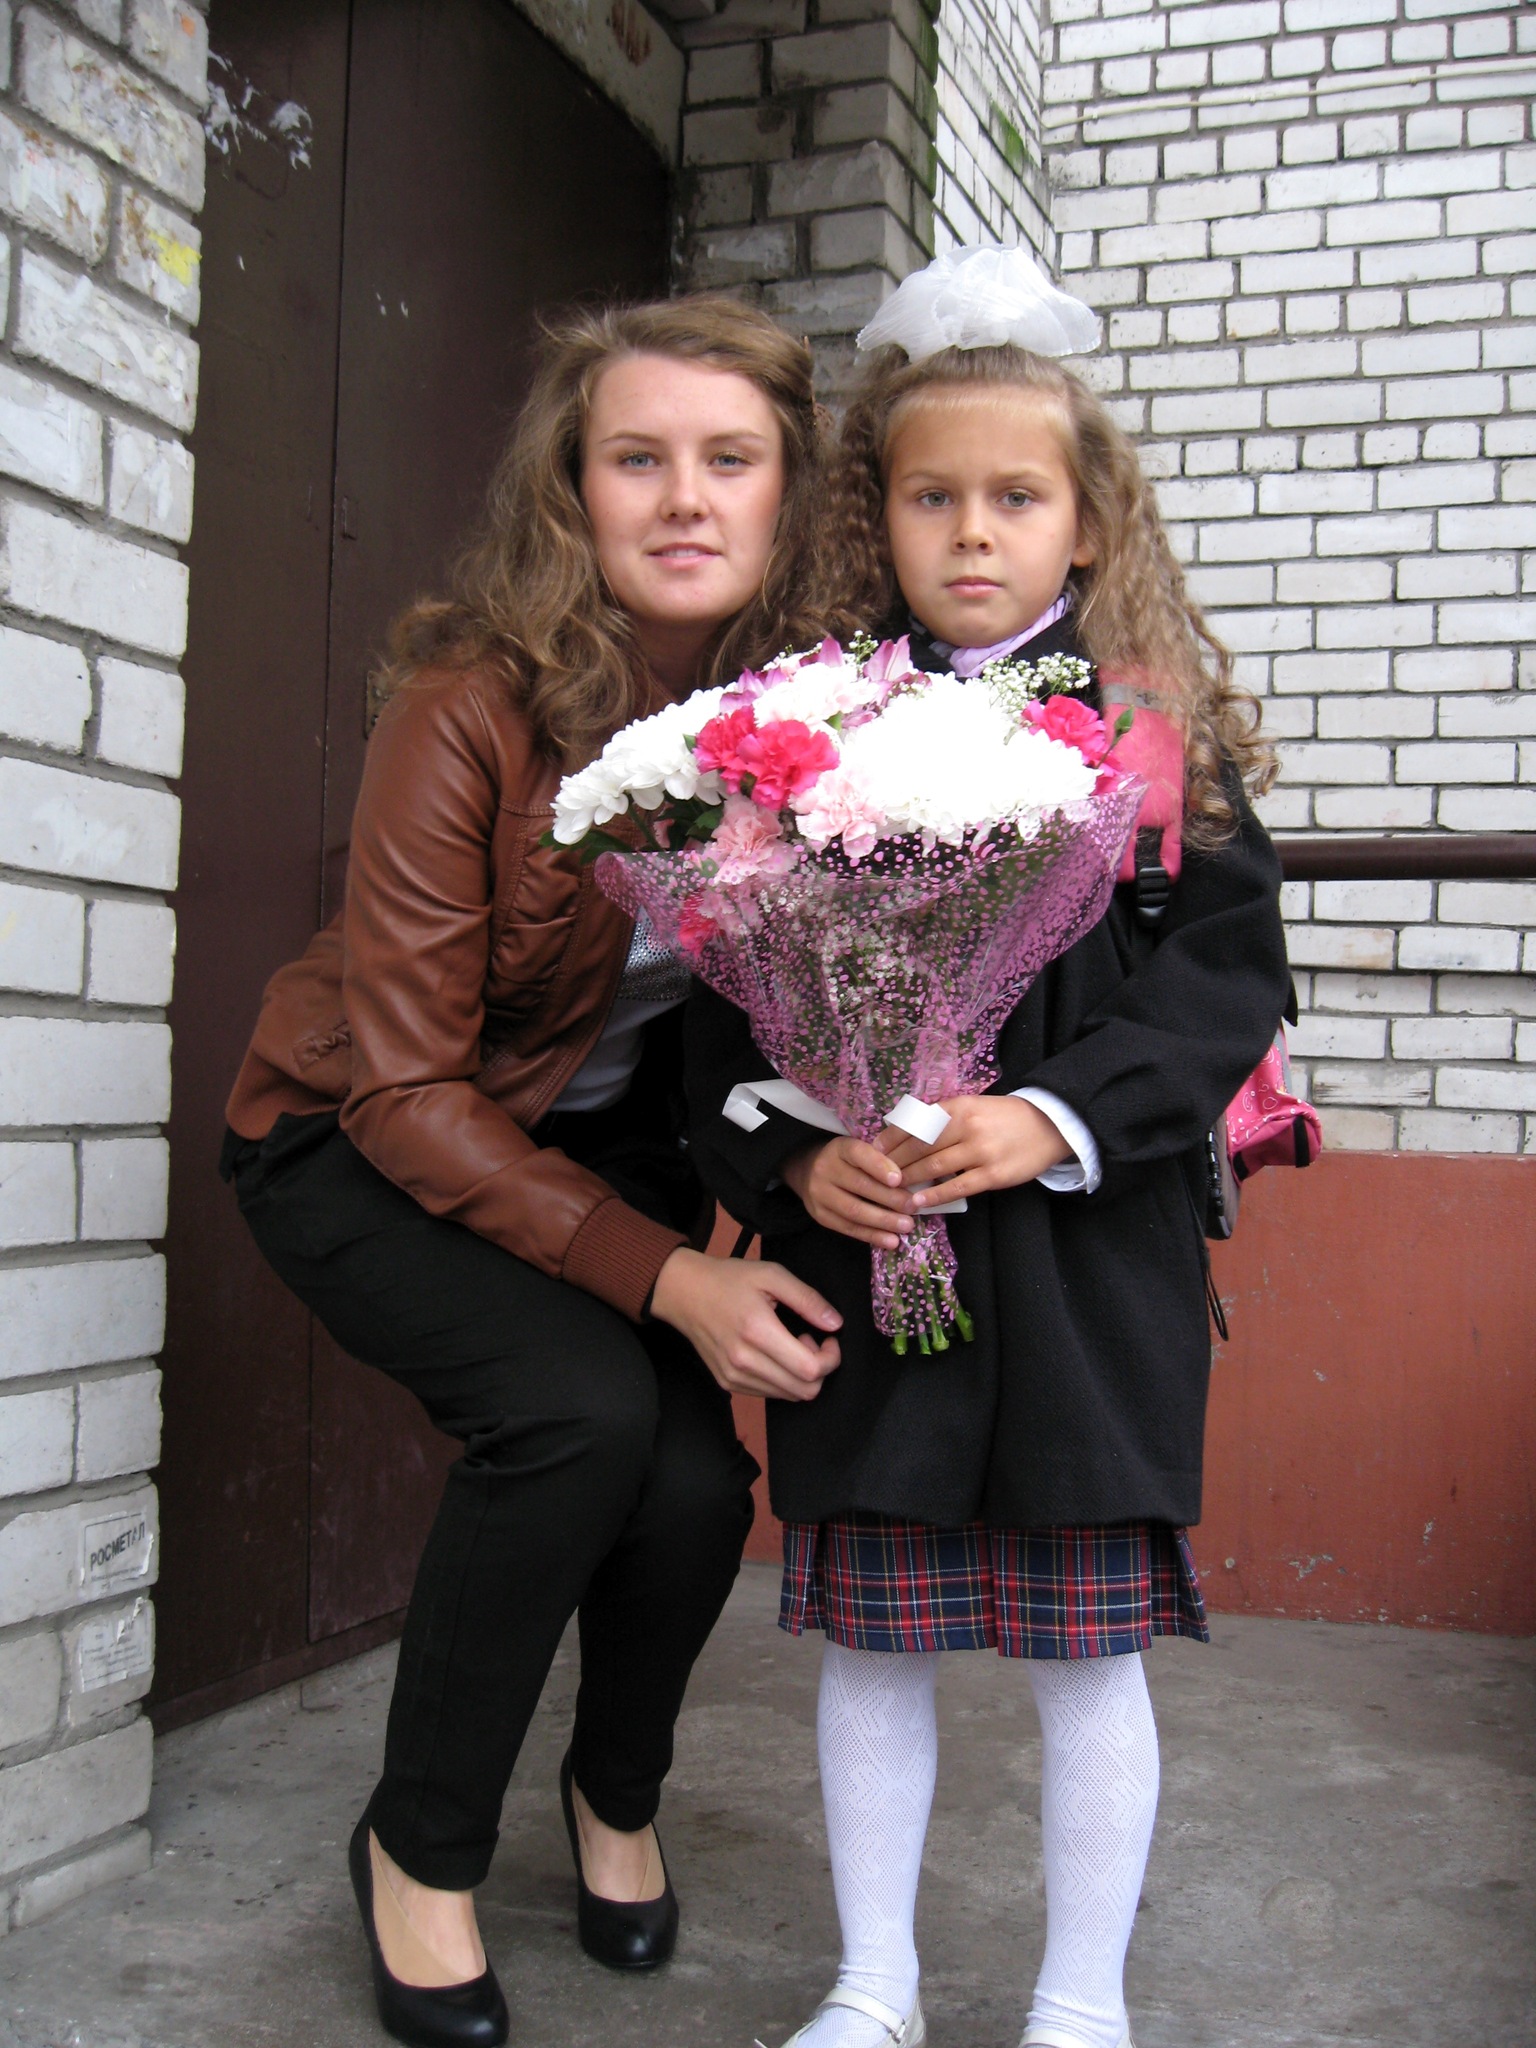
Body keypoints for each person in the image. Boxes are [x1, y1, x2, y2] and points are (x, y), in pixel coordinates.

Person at [221, 296, 847, 2048]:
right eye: (635, 457)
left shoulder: (815, 724)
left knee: (694, 1487)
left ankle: (613, 1796)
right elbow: (411, 1086)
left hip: (591, 1146)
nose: (684, 498)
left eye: (730, 459)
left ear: (791, 492)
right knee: (576, 1416)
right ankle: (419, 1848)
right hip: (354, 1130)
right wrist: (671, 1274)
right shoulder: (470, 709)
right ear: (572, 488)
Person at [686, 249, 1293, 2048]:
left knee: (1086, 1658)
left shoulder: (1153, 746)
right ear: (874, 517)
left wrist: (1052, 1118)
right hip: (877, 1261)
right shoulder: (804, 741)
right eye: (930, 495)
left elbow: (1222, 988)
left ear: (1086, 522)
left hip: (1088, 1281)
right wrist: (791, 1169)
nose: (973, 531)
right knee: (875, 1646)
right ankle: (872, 1986)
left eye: (1017, 497)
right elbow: (724, 1003)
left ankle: (1078, 2004)